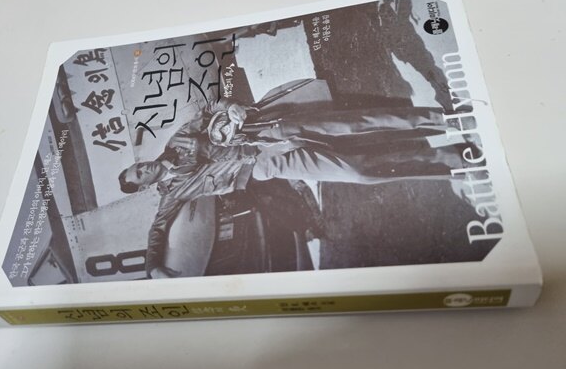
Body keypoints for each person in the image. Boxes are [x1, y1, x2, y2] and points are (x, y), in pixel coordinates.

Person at [119, 96, 481, 279]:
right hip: (268, 165)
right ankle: (453, 160)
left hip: (268, 132)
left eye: (138, 165)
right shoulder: (174, 193)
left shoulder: (178, 140)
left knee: (355, 124)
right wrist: (154, 268)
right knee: (360, 173)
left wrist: (232, 108)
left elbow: (210, 108)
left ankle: (444, 117)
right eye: (140, 175)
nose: (144, 168)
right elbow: (157, 230)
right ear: (143, 186)